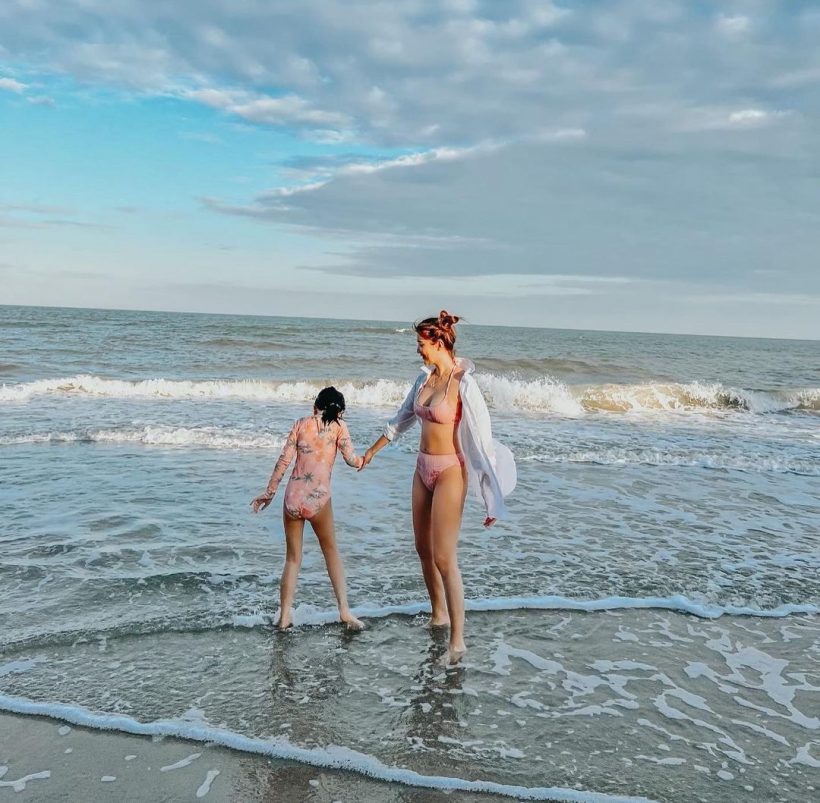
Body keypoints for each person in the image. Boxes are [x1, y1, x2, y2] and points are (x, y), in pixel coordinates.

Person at [360, 311, 515, 661]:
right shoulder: (423, 380)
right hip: (422, 467)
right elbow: (401, 419)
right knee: (422, 549)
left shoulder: (465, 384)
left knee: (445, 556)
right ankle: (438, 614)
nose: (418, 350)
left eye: (421, 344)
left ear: (439, 342)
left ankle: (458, 640)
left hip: (450, 470)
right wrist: (371, 452)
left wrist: (491, 497)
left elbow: (483, 442)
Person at [251, 387, 364, 631]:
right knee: (331, 552)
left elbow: (283, 461)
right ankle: (344, 610)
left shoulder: (300, 424)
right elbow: (352, 460)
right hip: (318, 500)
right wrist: (365, 460)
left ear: (315, 407)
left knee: (292, 559)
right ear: (340, 412)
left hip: (292, 498)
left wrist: (268, 493)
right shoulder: (339, 427)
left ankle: (284, 618)